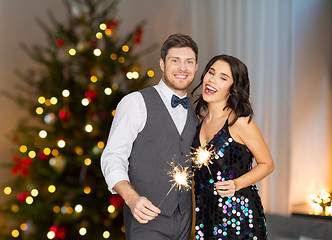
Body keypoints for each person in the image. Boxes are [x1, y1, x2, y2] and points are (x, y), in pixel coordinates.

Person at [100, 33, 199, 240]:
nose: (183, 68)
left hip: (186, 220)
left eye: (189, 62)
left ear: (196, 67)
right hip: (145, 217)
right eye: (175, 61)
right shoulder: (135, 102)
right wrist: (132, 199)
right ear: (162, 64)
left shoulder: (197, 112)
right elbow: (112, 157)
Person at [191, 54, 274, 239]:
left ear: (234, 89)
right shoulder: (198, 123)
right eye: (211, 73)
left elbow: (267, 164)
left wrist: (236, 184)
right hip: (206, 217)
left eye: (223, 78)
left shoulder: (240, 122)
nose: (212, 80)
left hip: (239, 218)